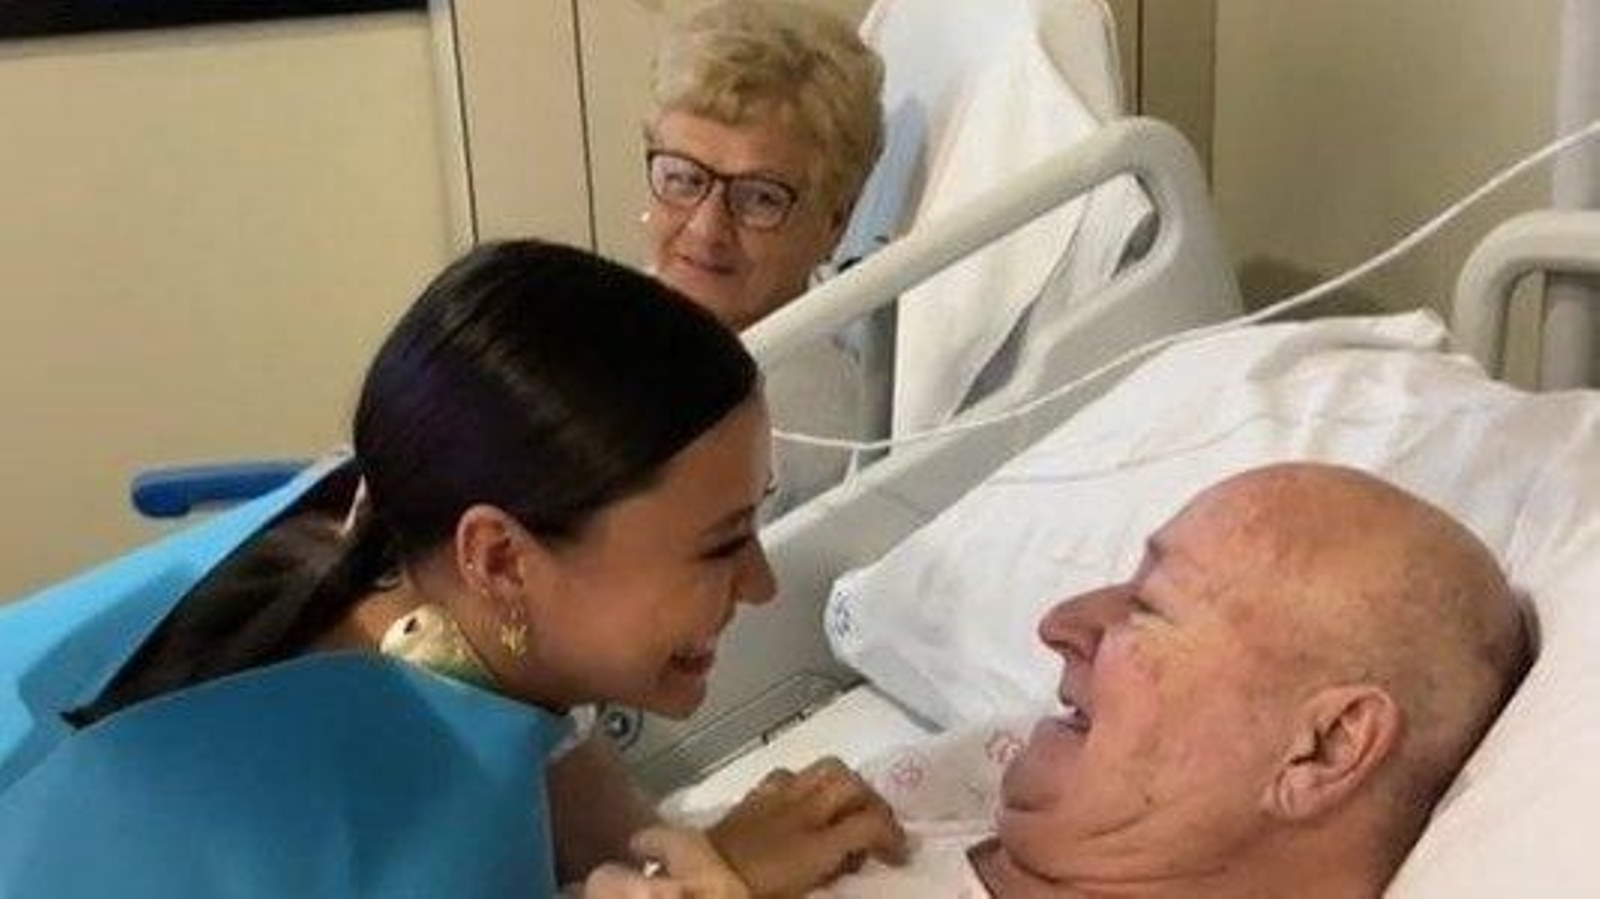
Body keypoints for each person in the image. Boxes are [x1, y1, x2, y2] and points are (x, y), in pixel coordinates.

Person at [0, 241, 904, 896]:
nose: (761, 584)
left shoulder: (358, 532)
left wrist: (674, 845)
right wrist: (716, 864)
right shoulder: (401, 822)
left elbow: (538, 732)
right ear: (500, 556)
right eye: (720, 543)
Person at [656, 462, 1531, 896]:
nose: (1061, 623)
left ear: (1324, 749)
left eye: (1148, 606)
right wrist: (704, 861)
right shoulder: (989, 774)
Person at [642, 0, 886, 515]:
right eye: (684, 178)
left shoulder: (799, 434)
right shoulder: (611, 326)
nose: (706, 229)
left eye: (759, 198)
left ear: (835, 222)